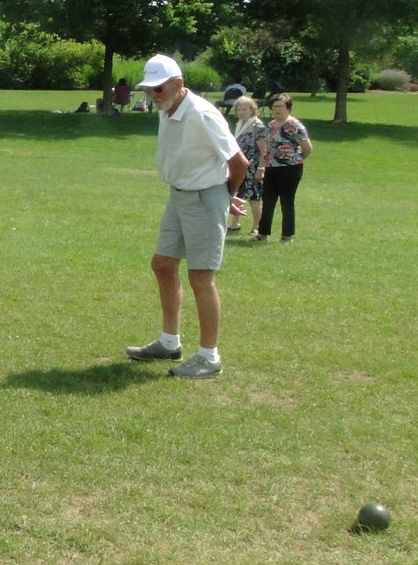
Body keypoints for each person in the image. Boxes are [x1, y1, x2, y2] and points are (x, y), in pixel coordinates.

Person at [126, 54, 249, 380]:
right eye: (149, 89)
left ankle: (210, 357)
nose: (153, 95)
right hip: (179, 196)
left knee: (200, 277)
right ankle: (170, 342)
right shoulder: (168, 109)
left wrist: (225, 197)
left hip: (204, 198)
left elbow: (239, 162)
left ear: (178, 84)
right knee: (162, 264)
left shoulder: (202, 114)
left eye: (159, 89)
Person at [254, 92, 314, 243]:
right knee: (268, 201)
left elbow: (307, 148)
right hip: (271, 168)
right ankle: (262, 233)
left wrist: (295, 159)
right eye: (274, 106)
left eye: (280, 106)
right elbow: (267, 148)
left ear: (288, 108)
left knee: (287, 201)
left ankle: (287, 235)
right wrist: (262, 167)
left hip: (290, 169)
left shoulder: (294, 125)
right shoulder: (271, 125)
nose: (277, 109)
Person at [230, 95, 269, 233]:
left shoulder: (257, 126)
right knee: (237, 195)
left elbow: (264, 151)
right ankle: (235, 224)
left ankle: (257, 226)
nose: (241, 112)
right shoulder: (239, 124)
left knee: (253, 197)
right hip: (240, 167)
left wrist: (261, 169)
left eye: (244, 109)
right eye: (239, 109)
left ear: (252, 110)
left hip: (253, 167)